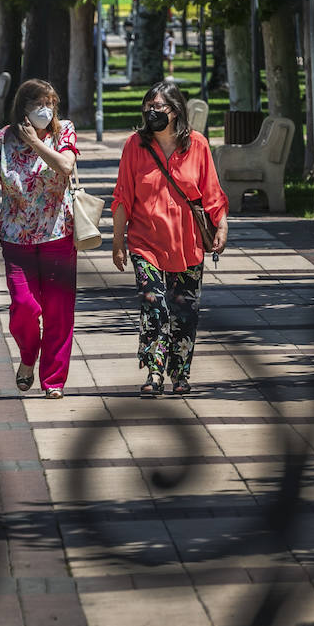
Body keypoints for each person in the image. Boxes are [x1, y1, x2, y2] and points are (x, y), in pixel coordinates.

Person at [111, 81, 229, 396]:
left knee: (184, 312)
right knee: (154, 306)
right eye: (147, 107)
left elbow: (212, 192)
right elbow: (122, 196)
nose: (151, 112)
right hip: (144, 243)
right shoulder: (134, 146)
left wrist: (222, 225)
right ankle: (153, 372)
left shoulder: (198, 145)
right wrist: (118, 241)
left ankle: (180, 375)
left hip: (186, 244)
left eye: (158, 107)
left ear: (175, 111)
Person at [0, 79, 79, 399]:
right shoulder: (1, 139)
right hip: (15, 236)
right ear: (21, 108)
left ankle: (53, 381)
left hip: (58, 235)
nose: (45, 109)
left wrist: (36, 142)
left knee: (58, 312)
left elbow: (65, 165)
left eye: (50, 103)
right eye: (37, 103)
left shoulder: (64, 131)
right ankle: (27, 357)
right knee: (24, 306)